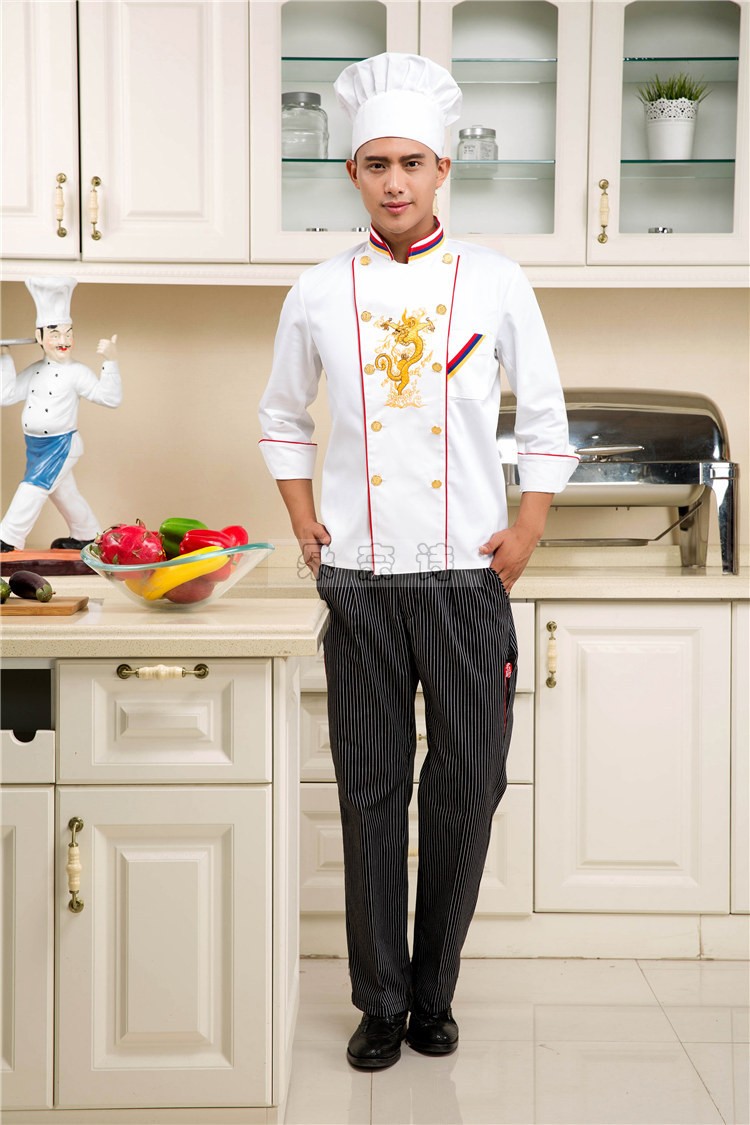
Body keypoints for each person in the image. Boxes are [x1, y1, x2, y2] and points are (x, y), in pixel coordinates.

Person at [258, 53, 579, 1071]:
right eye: (375, 164)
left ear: (442, 169)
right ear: (351, 174)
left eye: (410, 163)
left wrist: (526, 529)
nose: (393, 182)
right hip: (360, 578)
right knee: (369, 791)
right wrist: (306, 522)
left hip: (466, 579)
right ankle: (382, 1001)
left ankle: (435, 988)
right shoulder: (318, 291)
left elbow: (547, 421)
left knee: (468, 784)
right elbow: (282, 417)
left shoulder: (496, 280)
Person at [0, 276, 121, 552]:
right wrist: (4, 358)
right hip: (35, 445)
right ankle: (87, 535)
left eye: (68, 333)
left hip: (61, 444)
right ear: (40, 337)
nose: (63, 341)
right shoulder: (34, 371)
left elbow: (109, 398)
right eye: (55, 334)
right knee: (64, 492)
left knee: (33, 487)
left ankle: (8, 538)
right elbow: (5, 396)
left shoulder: (77, 372)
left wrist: (111, 361)